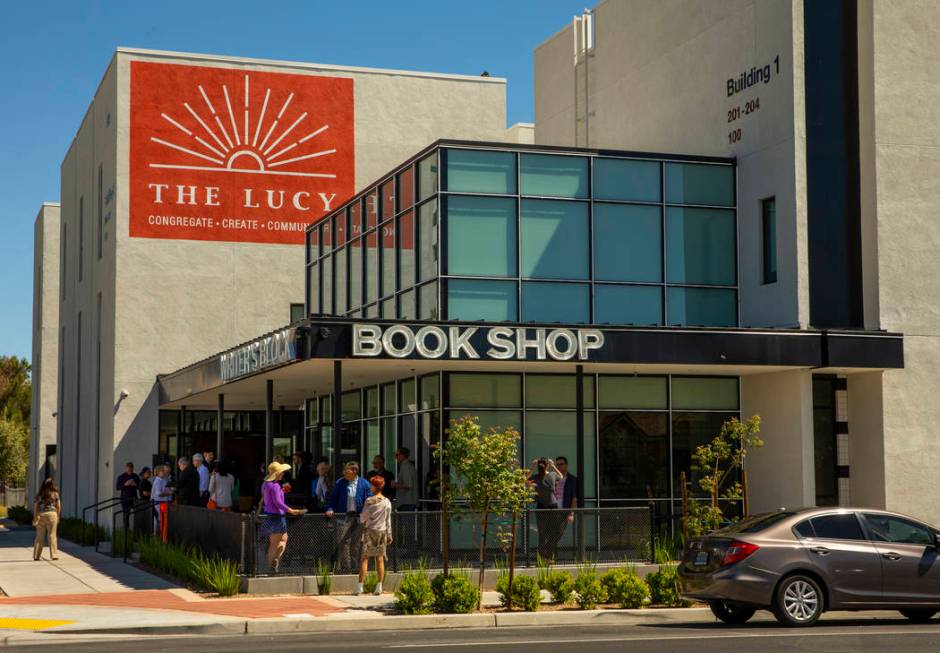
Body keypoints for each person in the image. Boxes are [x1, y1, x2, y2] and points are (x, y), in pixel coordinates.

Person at [326, 462, 372, 572]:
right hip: (343, 516)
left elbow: (370, 498)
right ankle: (346, 568)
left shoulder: (364, 483)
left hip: (359, 516)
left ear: (354, 471)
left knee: (356, 543)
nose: (344, 473)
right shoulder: (340, 483)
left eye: (346, 471)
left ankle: (355, 567)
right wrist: (330, 508)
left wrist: (368, 512)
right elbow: (332, 498)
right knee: (343, 541)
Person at [261, 461, 302, 574]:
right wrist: (290, 510)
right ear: (277, 473)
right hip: (277, 516)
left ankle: (274, 564)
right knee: (276, 543)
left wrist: (282, 490)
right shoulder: (274, 486)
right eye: (281, 472)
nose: (283, 474)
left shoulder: (266, 484)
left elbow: (270, 498)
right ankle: (272, 566)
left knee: (282, 539)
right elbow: (278, 502)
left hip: (270, 516)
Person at [357, 475, 393, 595]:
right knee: (380, 558)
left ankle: (360, 586)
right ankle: (379, 586)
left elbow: (363, 518)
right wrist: (389, 534)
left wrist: (363, 517)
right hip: (382, 532)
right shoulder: (387, 502)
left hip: (369, 531)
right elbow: (388, 520)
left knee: (364, 558)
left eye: (371, 485)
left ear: (374, 486)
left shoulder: (369, 501)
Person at [529, 457, 564, 562]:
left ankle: (543, 557)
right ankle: (549, 557)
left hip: (543, 506)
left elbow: (524, 479)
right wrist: (553, 466)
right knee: (551, 532)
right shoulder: (552, 475)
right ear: (547, 465)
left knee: (543, 532)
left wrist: (532, 466)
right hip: (551, 506)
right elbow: (561, 477)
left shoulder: (536, 477)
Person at [553, 456, 579, 553]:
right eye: (557, 464)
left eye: (561, 464)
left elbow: (574, 498)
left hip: (564, 510)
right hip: (551, 510)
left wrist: (571, 513)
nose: (559, 466)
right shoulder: (552, 477)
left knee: (558, 533)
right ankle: (551, 555)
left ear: (566, 465)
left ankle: (549, 553)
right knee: (551, 533)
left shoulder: (572, 479)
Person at [32, 478, 61, 561]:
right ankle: (54, 555)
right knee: (52, 535)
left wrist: (35, 516)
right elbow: (58, 506)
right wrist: (58, 515)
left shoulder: (39, 494)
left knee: (39, 536)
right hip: (52, 515)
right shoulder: (55, 494)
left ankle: (36, 556)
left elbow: (36, 506)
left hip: (41, 515)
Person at [151, 465, 173, 540]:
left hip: (163, 502)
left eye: (164, 471)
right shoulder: (158, 481)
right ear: (158, 472)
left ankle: (161, 537)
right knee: (159, 520)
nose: (164, 472)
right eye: (162, 471)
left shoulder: (163, 480)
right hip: (158, 503)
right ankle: (157, 536)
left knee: (162, 520)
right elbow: (159, 493)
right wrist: (169, 493)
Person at [115, 462, 140, 526]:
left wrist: (135, 485)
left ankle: (137, 529)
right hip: (125, 498)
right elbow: (118, 487)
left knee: (138, 512)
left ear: (133, 469)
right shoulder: (121, 477)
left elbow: (140, 487)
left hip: (134, 498)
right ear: (126, 469)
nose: (130, 472)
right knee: (126, 514)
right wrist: (125, 485)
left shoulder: (135, 476)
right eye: (129, 470)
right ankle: (126, 531)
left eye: (131, 470)